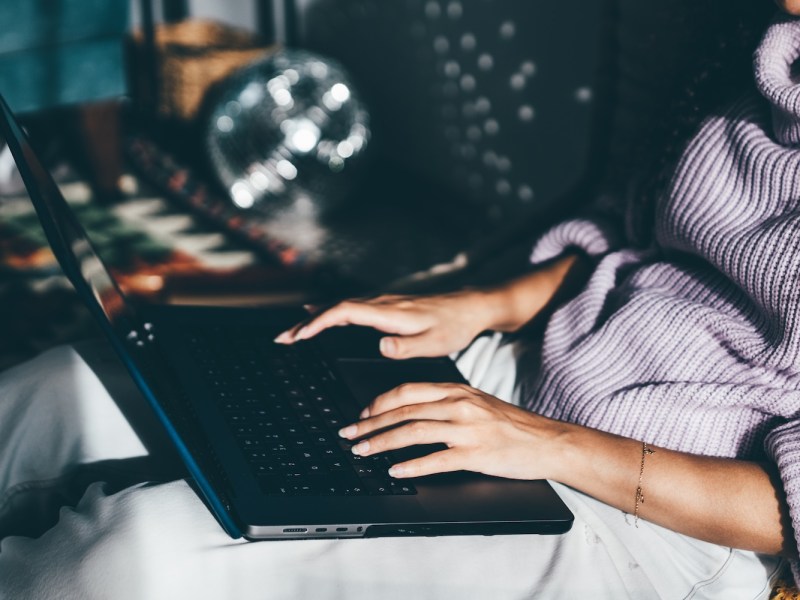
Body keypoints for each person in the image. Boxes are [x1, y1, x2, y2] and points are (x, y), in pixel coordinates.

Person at [1, 2, 800, 598]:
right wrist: (471, 307)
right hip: (511, 379)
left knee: (120, 562)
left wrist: (547, 444)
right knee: (53, 396)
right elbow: (626, 234)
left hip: (647, 518)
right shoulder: (763, 51)